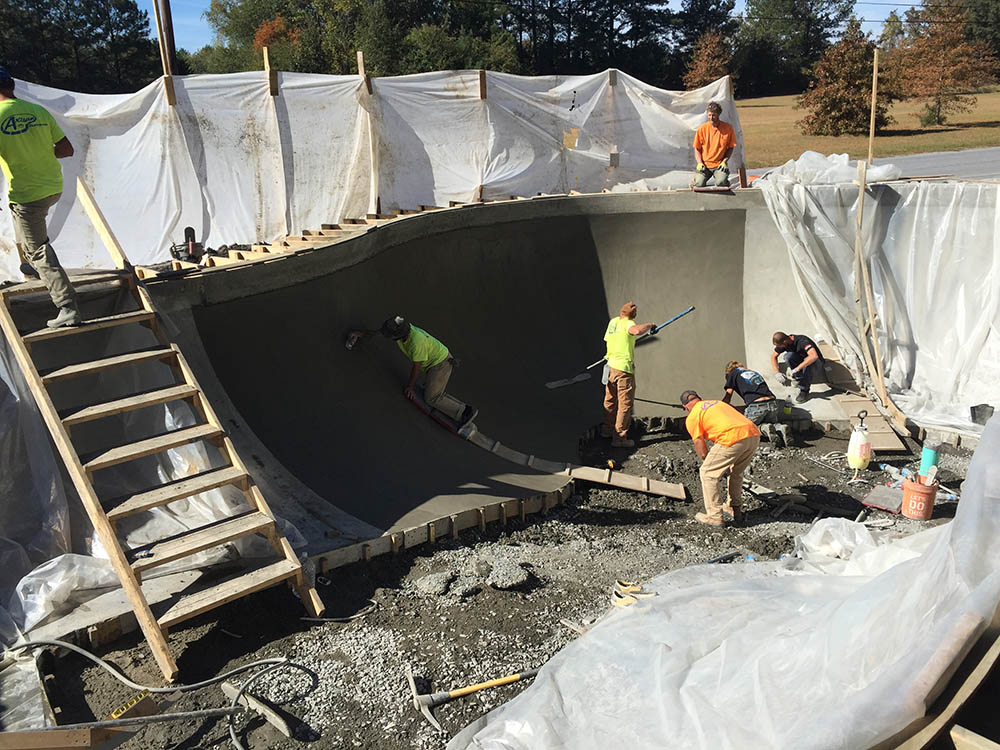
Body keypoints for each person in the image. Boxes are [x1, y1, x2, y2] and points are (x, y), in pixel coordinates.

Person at [0, 66, 81, 328]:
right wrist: (40, 154)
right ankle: (35, 269)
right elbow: (66, 149)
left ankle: (67, 306)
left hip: (27, 193)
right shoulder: (38, 111)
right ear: (11, 86)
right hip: (52, 187)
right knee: (22, 223)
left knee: (38, 249)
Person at [681, 389, 761, 526]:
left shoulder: (693, 415)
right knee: (736, 472)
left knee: (707, 473)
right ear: (699, 399)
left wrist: (707, 461)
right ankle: (734, 508)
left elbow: (699, 442)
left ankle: (714, 516)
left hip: (732, 437)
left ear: (685, 406)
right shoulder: (717, 403)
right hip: (753, 434)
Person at [379, 316, 477, 426]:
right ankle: (459, 407)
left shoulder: (416, 343)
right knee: (432, 391)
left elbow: (416, 368)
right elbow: (382, 331)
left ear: (397, 335)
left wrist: (410, 388)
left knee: (431, 398)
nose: (388, 336)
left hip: (441, 364)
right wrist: (361, 333)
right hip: (434, 361)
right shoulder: (403, 328)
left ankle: (465, 412)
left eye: (390, 335)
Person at [602, 302, 655, 448]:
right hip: (624, 370)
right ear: (633, 315)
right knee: (625, 405)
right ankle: (619, 438)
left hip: (611, 366)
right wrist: (650, 325)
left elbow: (609, 339)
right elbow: (636, 331)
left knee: (610, 400)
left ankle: (606, 430)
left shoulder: (613, 322)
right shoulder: (629, 324)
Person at [691, 101, 738, 189]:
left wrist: (724, 161)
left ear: (719, 114)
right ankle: (695, 180)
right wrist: (700, 163)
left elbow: (731, 147)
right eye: (709, 115)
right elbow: (697, 148)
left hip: (719, 165)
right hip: (705, 165)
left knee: (721, 182)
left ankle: (725, 182)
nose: (711, 118)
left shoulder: (728, 128)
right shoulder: (702, 129)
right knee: (699, 184)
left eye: (713, 115)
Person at [771, 331, 824, 403]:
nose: (780, 348)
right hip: (803, 360)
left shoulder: (802, 341)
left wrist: (796, 369)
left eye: (780, 346)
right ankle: (799, 377)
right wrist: (777, 372)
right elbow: (773, 356)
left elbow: (814, 356)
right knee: (788, 356)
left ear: (785, 341)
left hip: (816, 363)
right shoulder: (785, 343)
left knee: (808, 362)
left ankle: (804, 390)